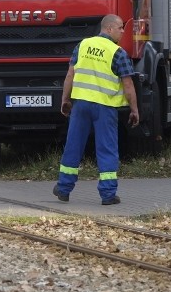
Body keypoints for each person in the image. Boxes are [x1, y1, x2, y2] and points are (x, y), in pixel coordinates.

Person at [53, 14, 139, 205]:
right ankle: (108, 195)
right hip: (104, 107)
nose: (123, 31)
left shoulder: (82, 45)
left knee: (73, 146)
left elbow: (70, 74)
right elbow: (128, 85)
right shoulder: (118, 52)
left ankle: (63, 189)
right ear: (109, 29)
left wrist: (65, 100)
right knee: (107, 149)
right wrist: (134, 109)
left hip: (81, 105)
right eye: (120, 28)